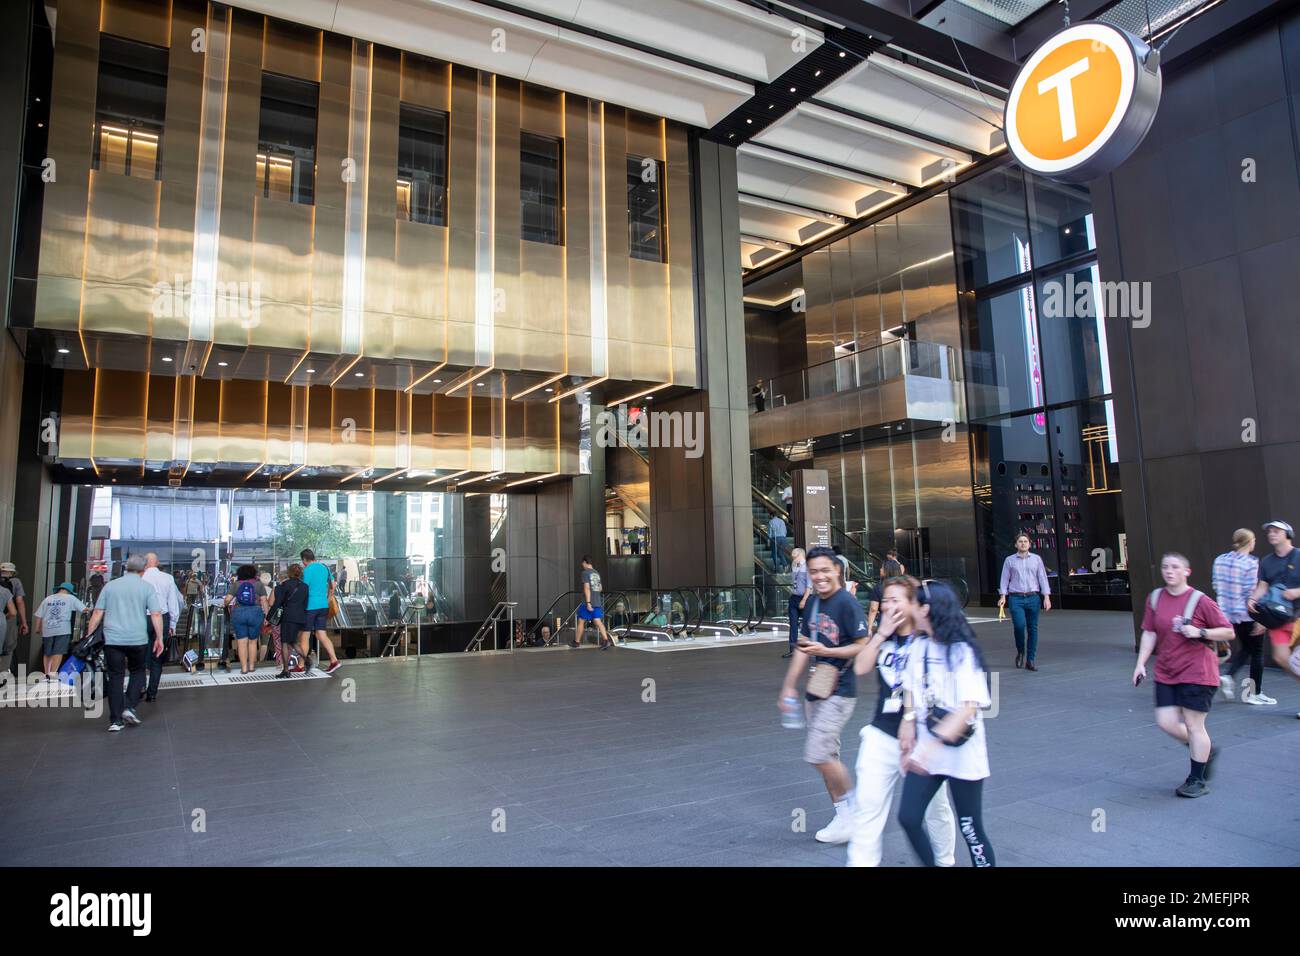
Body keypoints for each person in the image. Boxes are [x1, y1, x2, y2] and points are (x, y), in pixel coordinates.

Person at [846, 576, 955, 867]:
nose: (889, 606)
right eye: (885, 601)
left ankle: (944, 862)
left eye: (896, 600)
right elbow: (860, 667)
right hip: (882, 733)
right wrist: (880, 634)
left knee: (935, 808)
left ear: (913, 604)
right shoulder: (885, 638)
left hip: (923, 738)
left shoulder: (929, 637)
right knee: (868, 806)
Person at [898, 582, 996, 866]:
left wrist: (929, 746)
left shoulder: (962, 651)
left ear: (925, 609)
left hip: (960, 751)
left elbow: (968, 709)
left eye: (912, 603)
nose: (907, 609)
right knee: (909, 817)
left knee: (971, 828)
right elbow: (911, 691)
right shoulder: (920, 646)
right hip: (927, 749)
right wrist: (907, 728)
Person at [777, 545, 869, 844]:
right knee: (827, 756)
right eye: (813, 572)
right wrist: (789, 685)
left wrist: (828, 651)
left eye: (824, 570)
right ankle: (844, 817)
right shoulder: (814, 602)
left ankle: (857, 811)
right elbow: (805, 647)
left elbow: (862, 644)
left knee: (817, 753)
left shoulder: (846, 603)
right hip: (816, 690)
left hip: (840, 690)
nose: (819, 577)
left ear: (837, 571)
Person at [1132, 552, 1234, 798]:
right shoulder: (1155, 598)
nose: (1169, 571)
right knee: (1165, 721)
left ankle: (1197, 779)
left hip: (1198, 672)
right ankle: (1203, 751)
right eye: (1166, 567)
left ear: (1186, 571)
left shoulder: (1200, 600)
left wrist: (1200, 632)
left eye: (1175, 567)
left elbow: (1228, 632)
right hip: (1167, 670)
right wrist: (1140, 663)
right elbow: (1149, 632)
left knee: (1193, 725)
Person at [83, 554, 164, 732]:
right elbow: (156, 614)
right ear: (143, 571)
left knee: (116, 677)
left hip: (113, 639)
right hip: (138, 638)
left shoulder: (110, 586)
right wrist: (159, 638)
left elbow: (97, 613)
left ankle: (115, 720)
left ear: (126, 568)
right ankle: (128, 706)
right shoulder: (146, 587)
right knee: (138, 672)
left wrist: (89, 636)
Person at [1246, 520, 1300, 711]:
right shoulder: (1267, 561)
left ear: (1288, 534)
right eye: (1269, 531)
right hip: (1277, 617)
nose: (1271, 534)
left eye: (1276, 531)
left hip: (1298, 616)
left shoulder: (1299, 555)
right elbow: (1262, 586)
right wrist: (1253, 599)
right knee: (1281, 658)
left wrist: (1296, 592)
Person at [1212, 529, 1269, 704]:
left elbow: (1215, 585)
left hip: (1229, 614)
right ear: (1250, 542)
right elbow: (1251, 592)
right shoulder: (1251, 563)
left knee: (1246, 648)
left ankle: (1229, 676)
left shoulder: (1220, 560)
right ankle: (1254, 693)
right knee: (1257, 652)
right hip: (1249, 614)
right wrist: (1261, 618)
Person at [997, 533, 1052, 670]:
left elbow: (1042, 578)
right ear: (1016, 544)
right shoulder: (1009, 560)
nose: (1023, 543)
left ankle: (1030, 660)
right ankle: (1021, 651)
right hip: (1016, 598)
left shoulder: (1036, 559)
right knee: (1019, 626)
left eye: (1025, 541)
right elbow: (1004, 579)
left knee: (1033, 629)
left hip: (1033, 597)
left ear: (1029, 544)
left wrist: (1046, 596)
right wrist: (1003, 596)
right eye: (1020, 541)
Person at [141, 553, 181, 702]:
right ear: (157, 563)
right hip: (162, 618)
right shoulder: (167, 578)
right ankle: (152, 694)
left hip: (142, 618)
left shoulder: (140, 578)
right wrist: (173, 624)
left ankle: (140, 687)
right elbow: (173, 603)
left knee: (140, 654)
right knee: (157, 657)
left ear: (145, 563)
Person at [299, 550, 341, 674]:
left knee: (305, 635)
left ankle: (301, 665)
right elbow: (333, 585)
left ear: (304, 559)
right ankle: (334, 661)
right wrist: (327, 599)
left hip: (310, 606)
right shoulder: (324, 568)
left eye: (303, 561)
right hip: (323, 605)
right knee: (321, 634)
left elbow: (304, 589)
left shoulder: (307, 570)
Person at [223, 564, 268, 675]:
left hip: (239, 613)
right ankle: (251, 666)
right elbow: (264, 601)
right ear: (253, 573)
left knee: (241, 642)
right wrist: (266, 616)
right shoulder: (259, 584)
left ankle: (244, 668)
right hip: (255, 613)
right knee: (253, 642)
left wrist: (225, 604)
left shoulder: (236, 584)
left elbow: (227, 599)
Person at [34, 582, 85, 679]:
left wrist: (37, 628)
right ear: (69, 591)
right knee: (58, 651)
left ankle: (46, 673)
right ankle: (53, 674)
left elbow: (39, 615)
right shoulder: (71, 598)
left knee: (47, 652)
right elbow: (84, 609)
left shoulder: (47, 599)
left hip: (47, 629)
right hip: (63, 629)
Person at [269, 563, 309, 679]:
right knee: (292, 641)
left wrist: (270, 617)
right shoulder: (305, 586)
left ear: (289, 573)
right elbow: (305, 604)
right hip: (300, 617)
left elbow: (278, 602)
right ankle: (306, 660)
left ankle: (286, 670)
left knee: (285, 643)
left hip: (288, 617)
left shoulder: (285, 585)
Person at [573, 556, 615, 649]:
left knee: (581, 621)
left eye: (582, 564)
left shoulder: (585, 573)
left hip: (588, 602)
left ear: (585, 562)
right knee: (598, 621)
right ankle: (606, 640)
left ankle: (576, 642)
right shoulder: (597, 573)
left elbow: (587, 587)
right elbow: (600, 588)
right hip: (597, 601)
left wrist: (588, 602)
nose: (582, 565)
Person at [0, 561, 28, 676]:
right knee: (8, 647)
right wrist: (24, 622)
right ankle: (2, 674)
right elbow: (19, 601)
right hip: (7, 619)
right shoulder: (15, 582)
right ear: (12, 572)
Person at [784, 547, 810, 660]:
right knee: (793, 624)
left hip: (805, 598)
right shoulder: (794, 565)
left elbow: (809, 586)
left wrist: (804, 600)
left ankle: (809, 648)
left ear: (801, 555)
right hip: (794, 597)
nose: (792, 556)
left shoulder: (807, 567)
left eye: (795, 554)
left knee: (808, 624)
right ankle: (792, 649)